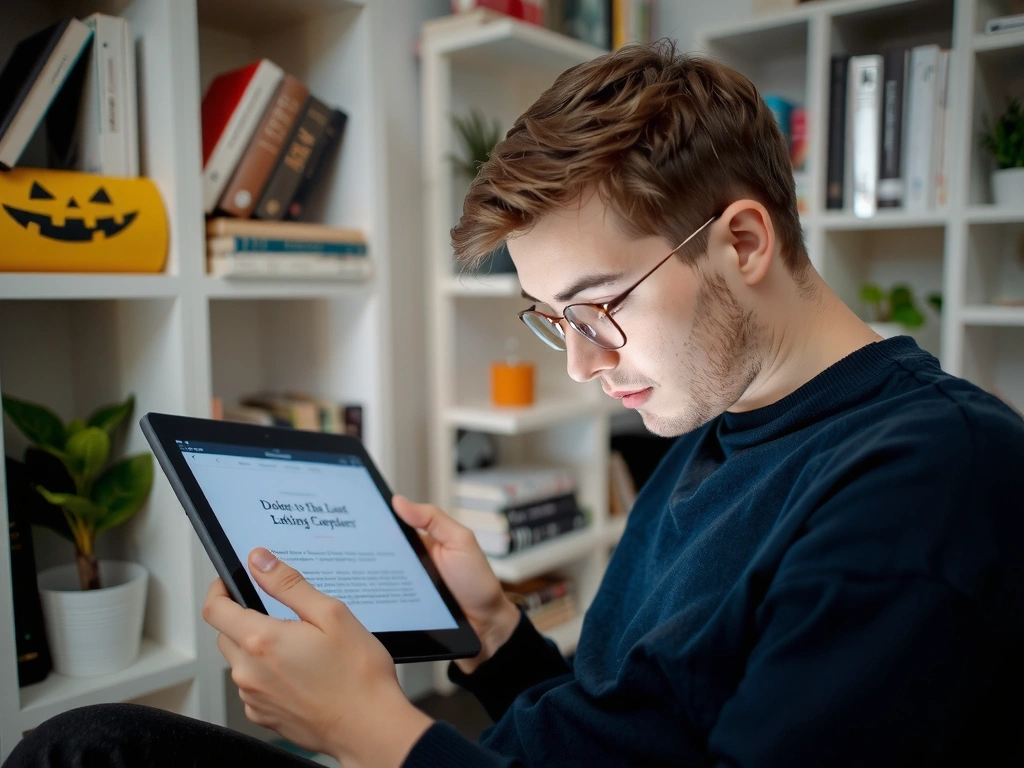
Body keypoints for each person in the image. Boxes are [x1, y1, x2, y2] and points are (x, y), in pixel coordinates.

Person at [6, 40, 1024, 768]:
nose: (580, 365)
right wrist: (495, 635)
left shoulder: (926, 484)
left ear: (742, 241)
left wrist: (378, 739)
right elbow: (628, 723)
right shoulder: (714, 425)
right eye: (550, 318)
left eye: (596, 308)